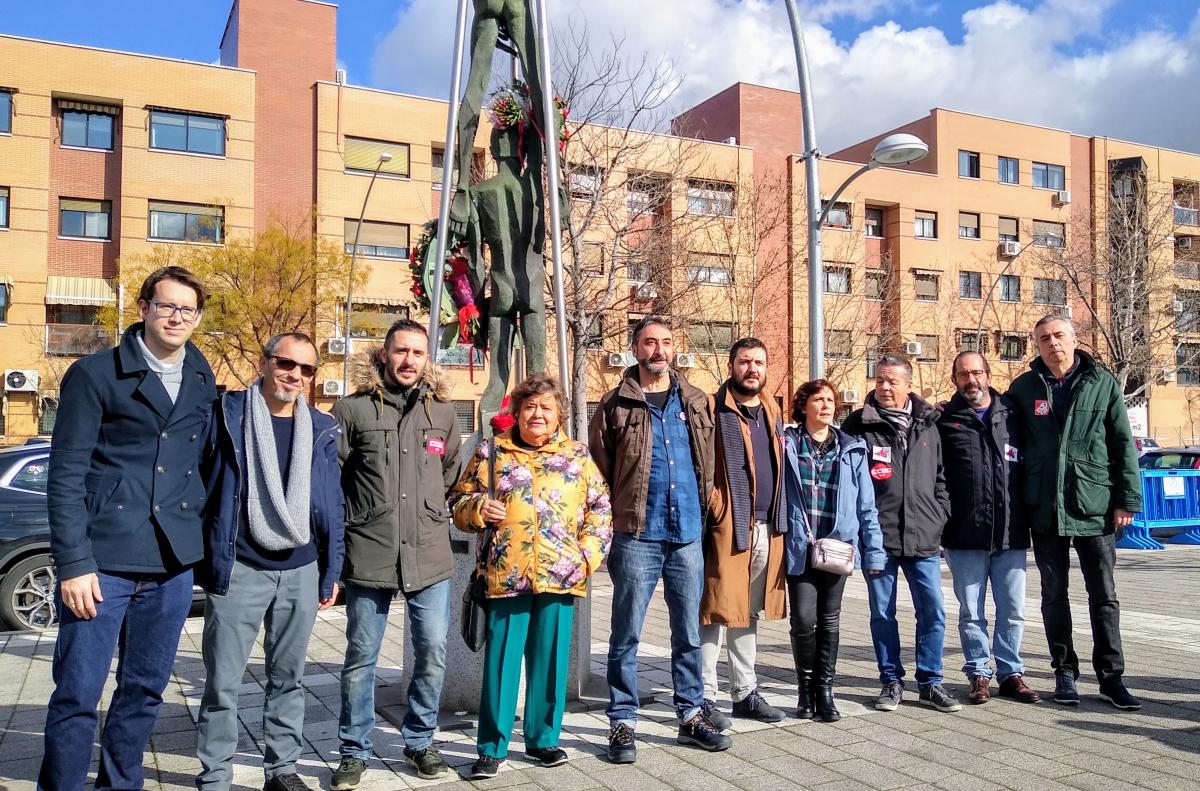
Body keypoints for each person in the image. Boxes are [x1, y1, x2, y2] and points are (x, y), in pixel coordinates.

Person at [40, 267, 217, 790]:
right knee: (76, 693)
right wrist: (73, 564)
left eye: (187, 309)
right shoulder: (95, 374)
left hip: (171, 565)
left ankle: (121, 785)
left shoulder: (200, 374)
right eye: (166, 306)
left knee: (143, 692)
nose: (176, 317)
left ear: (198, 318)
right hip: (102, 565)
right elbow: (66, 474)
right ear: (143, 308)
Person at [196, 333, 345, 791]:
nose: (295, 375)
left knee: (289, 678)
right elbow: (201, 483)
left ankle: (282, 770)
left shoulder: (321, 427)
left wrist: (332, 569)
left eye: (306, 369)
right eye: (286, 363)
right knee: (223, 683)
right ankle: (216, 775)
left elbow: (331, 502)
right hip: (240, 566)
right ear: (264, 363)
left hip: (300, 569)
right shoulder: (227, 414)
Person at [451, 374, 613, 780]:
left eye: (546, 407)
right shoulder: (492, 453)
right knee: (502, 664)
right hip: (506, 574)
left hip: (561, 575)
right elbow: (457, 501)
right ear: (517, 413)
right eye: (529, 407)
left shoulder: (577, 455)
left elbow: (600, 508)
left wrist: (587, 557)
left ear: (559, 414)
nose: (537, 414)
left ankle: (543, 739)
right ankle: (492, 746)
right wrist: (476, 509)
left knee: (552, 660)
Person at [589, 315, 731, 764]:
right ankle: (622, 721)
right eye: (649, 342)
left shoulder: (696, 401)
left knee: (687, 631)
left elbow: (709, 463)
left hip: (688, 533)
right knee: (626, 632)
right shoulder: (615, 405)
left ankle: (690, 714)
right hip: (636, 535)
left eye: (666, 342)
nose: (659, 350)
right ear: (635, 348)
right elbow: (598, 471)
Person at [330, 320, 463, 789]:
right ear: (383, 355)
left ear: (427, 359)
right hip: (370, 553)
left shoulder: (443, 413)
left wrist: (428, 510)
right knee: (361, 655)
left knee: (431, 651)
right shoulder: (351, 410)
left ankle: (421, 741)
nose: (409, 360)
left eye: (418, 353)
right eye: (401, 351)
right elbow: (332, 483)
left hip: (429, 554)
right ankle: (352, 750)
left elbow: (451, 474)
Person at [1007, 315, 1143, 710]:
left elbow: (1122, 444)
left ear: (1074, 339)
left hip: (1094, 505)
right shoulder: (1025, 387)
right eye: (1044, 338)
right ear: (1037, 345)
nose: (1053, 343)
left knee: (1104, 595)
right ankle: (1064, 672)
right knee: (1054, 595)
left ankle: (1111, 678)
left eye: (1059, 335)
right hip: (1046, 507)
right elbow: (1001, 425)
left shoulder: (1102, 383)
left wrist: (1127, 500)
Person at [841, 355, 958, 713]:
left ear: (910, 385)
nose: (885, 387)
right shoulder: (859, 424)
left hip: (924, 536)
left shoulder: (930, 422)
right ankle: (890, 680)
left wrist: (941, 513)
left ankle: (930, 681)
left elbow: (942, 476)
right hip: (879, 539)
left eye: (893, 381)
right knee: (881, 613)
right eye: (880, 381)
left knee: (933, 610)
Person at [938, 352, 1040, 705]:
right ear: (954, 379)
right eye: (963, 374)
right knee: (971, 612)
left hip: (1011, 532)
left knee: (1013, 609)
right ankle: (979, 673)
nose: (971, 380)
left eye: (977, 372)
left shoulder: (1012, 415)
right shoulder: (944, 420)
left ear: (988, 374)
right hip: (964, 534)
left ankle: (1011, 673)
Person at [783, 380, 886, 722]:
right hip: (799, 546)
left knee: (829, 621)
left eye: (830, 400)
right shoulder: (787, 444)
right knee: (803, 621)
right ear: (803, 406)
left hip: (837, 549)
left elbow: (866, 507)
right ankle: (804, 691)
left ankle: (825, 692)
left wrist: (873, 552)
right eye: (818, 399)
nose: (826, 405)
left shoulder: (852, 448)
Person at [699, 338, 787, 725]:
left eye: (759, 362)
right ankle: (702, 695)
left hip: (768, 527)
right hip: (726, 528)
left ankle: (745, 691)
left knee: (747, 612)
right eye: (745, 361)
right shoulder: (713, 409)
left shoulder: (772, 410)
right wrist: (716, 505)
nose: (752, 368)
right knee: (714, 610)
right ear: (731, 365)